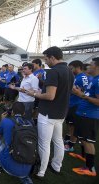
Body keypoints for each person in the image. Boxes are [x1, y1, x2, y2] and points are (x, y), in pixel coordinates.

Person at [26, 46, 74, 178]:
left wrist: (34, 93)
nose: (45, 62)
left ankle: (41, 171)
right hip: (61, 112)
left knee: (44, 143)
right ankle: (56, 166)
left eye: (46, 59)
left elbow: (50, 96)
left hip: (48, 113)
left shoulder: (53, 71)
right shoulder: (69, 71)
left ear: (53, 57)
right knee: (58, 141)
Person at [71, 57, 99, 177]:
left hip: (88, 115)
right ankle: (83, 156)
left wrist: (81, 95)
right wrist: (81, 92)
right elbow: (87, 94)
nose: (88, 67)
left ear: (97, 67)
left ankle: (90, 168)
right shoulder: (93, 79)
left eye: (91, 65)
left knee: (88, 141)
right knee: (83, 138)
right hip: (82, 113)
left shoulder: (98, 81)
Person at [0, 102, 33, 184]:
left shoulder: (6, 121)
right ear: (24, 113)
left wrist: (2, 121)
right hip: (28, 167)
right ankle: (25, 178)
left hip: (8, 166)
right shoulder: (30, 124)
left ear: (12, 112)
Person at [64, 60, 89, 152]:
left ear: (78, 67)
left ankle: (70, 145)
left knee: (74, 125)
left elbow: (85, 92)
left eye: (71, 68)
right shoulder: (77, 77)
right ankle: (68, 139)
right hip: (72, 103)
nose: (70, 70)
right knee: (70, 124)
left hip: (76, 104)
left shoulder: (82, 77)